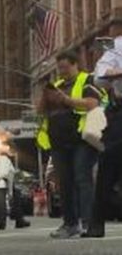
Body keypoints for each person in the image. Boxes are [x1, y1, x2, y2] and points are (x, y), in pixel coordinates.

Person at [36, 51, 104, 239]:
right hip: (58, 142)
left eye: (65, 67)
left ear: (75, 64)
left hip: (82, 139)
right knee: (64, 183)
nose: (62, 71)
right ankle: (70, 224)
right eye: (60, 68)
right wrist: (45, 96)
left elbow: (92, 103)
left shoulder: (87, 80)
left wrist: (65, 100)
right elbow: (40, 112)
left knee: (82, 178)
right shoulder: (56, 85)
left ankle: (88, 222)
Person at [87, 26, 122, 238]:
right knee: (109, 161)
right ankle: (96, 222)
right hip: (120, 111)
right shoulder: (118, 46)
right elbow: (99, 75)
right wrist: (115, 73)